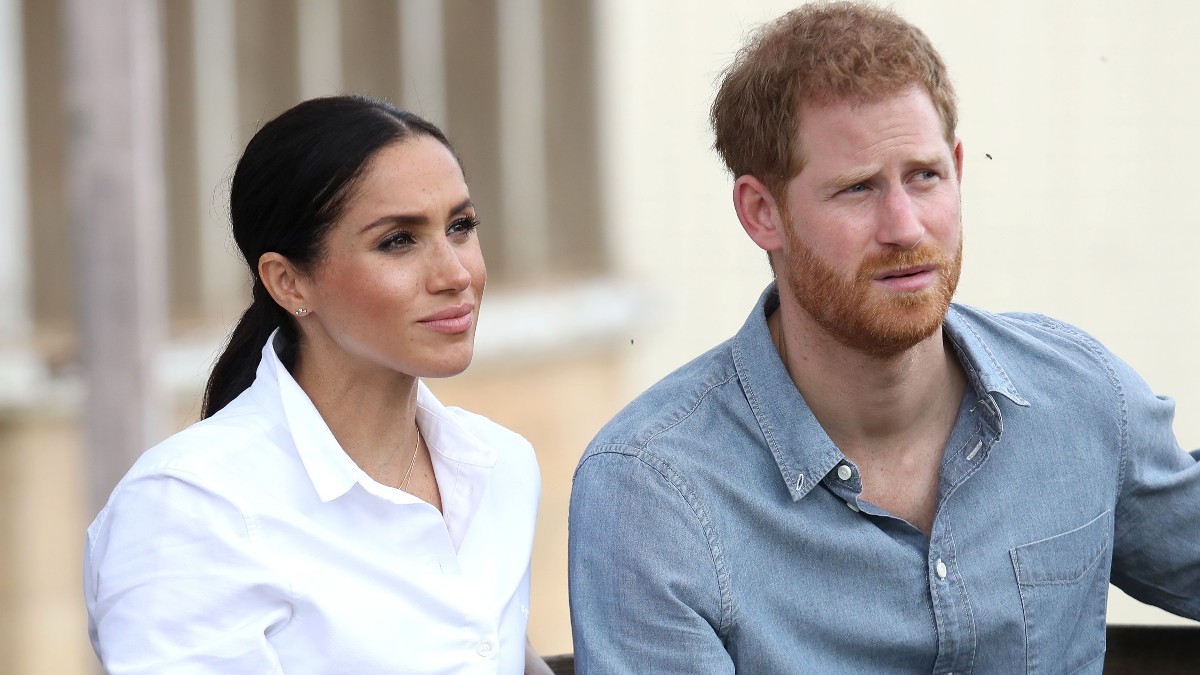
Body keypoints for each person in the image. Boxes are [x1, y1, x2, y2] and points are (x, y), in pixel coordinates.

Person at [568, 2, 1200, 672]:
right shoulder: (655, 491)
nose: (905, 226)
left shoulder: (1081, 399)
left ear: (959, 167)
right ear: (762, 212)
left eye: (924, 176)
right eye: (858, 189)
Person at [85, 95, 553, 674]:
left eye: (461, 227)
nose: (456, 274)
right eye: (397, 240)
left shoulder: (501, 466)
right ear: (289, 282)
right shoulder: (192, 507)